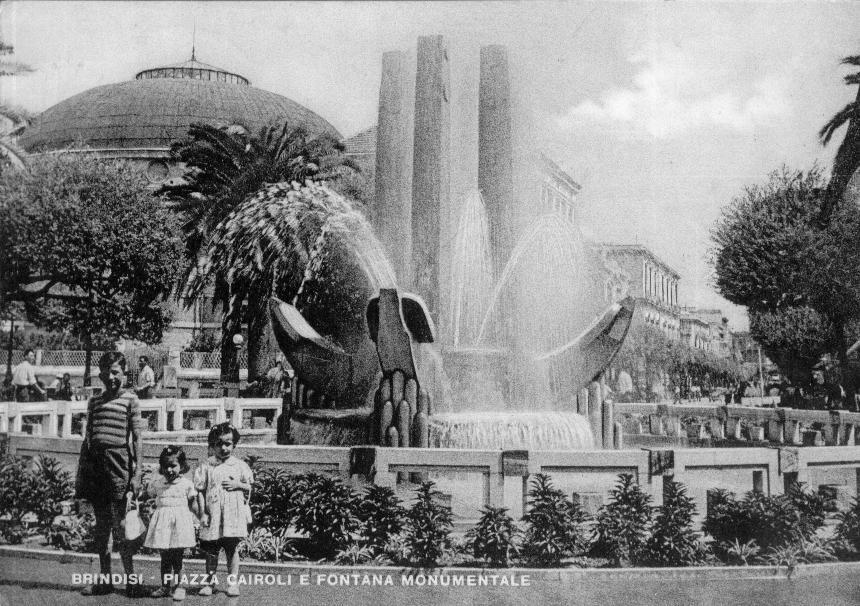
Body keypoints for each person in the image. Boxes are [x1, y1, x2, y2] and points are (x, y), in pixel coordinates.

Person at [75, 351, 146, 597]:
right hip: (96, 470)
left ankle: (132, 581)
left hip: (119, 467)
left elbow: (137, 438)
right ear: (100, 374)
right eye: (106, 372)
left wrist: (137, 474)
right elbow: (88, 440)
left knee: (123, 527)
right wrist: (82, 479)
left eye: (116, 372)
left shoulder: (130, 400)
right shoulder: (94, 401)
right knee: (102, 528)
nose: (111, 377)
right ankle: (105, 579)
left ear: (125, 374)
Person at [194, 422, 253, 597]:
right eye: (219, 444)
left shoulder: (240, 465)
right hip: (213, 514)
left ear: (234, 444)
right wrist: (203, 513)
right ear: (212, 445)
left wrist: (238, 484)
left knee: (231, 549)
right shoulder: (207, 465)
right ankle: (209, 583)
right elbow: (200, 490)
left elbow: (249, 487)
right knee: (211, 550)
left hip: (232, 514)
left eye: (228, 443)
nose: (224, 448)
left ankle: (233, 583)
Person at [144, 446, 198, 601]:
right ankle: (165, 586)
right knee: (165, 558)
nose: (169, 469)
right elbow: (147, 494)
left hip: (179, 525)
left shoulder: (186, 484)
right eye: (165, 466)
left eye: (173, 466)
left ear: (181, 466)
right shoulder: (158, 483)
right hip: (163, 525)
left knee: (177, 558)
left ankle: (180, 586)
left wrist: (201, 517)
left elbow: (193, 504)